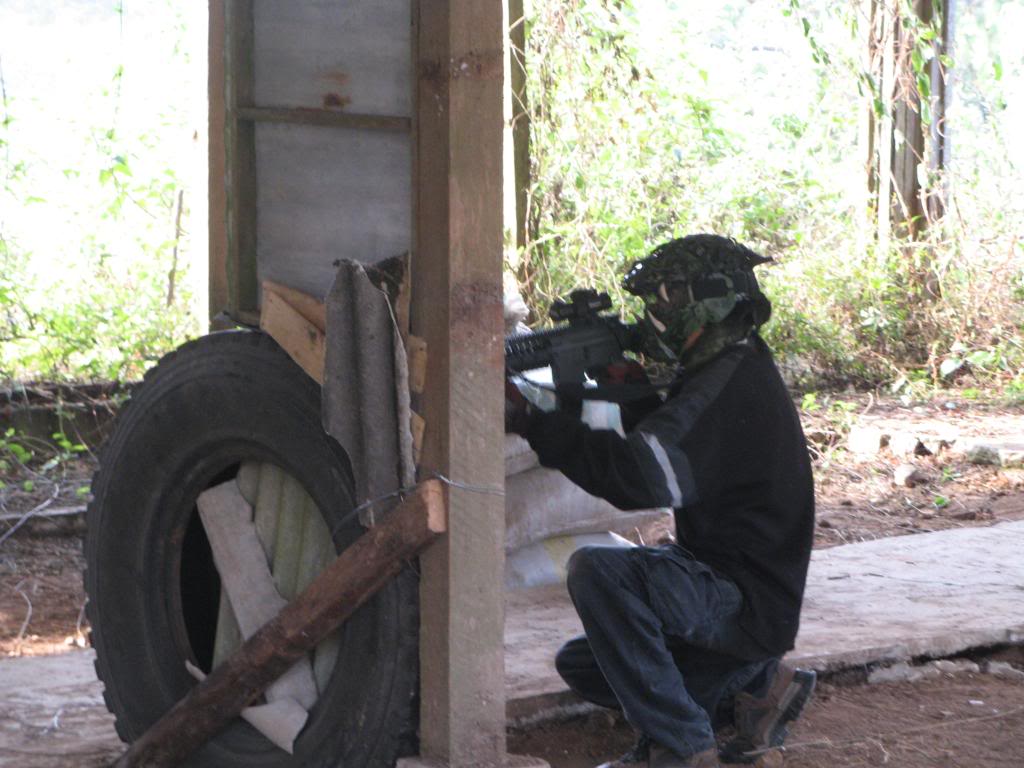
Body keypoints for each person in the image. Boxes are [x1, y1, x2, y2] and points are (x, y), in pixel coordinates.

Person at [505, 234, 816, 768]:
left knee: (600, 574)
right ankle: (758, 687)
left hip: (742, 598)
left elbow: (642, 477)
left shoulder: (727, 386)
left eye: (666, 299)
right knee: (586, 666)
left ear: (709, 301)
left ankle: (680, 746)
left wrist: (535, 424)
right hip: (735, 590)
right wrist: (615, 398)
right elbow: (662, 436)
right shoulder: (734, 367)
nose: (654, 315)